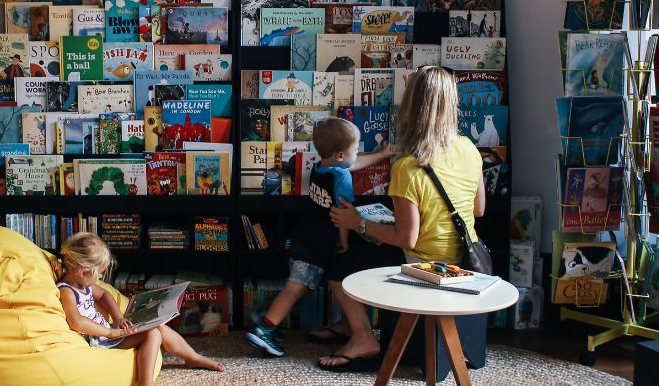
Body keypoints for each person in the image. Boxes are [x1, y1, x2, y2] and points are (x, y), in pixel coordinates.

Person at [320, 65, 487, 372]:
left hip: (425, 264)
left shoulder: (408, 167)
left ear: (411, 108)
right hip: (463, 258)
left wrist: (357, 222)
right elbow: (478, 210)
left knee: (339, 264)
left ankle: (362, 338)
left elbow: (406, 239)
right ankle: (350, 324)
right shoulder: (469, 148)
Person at [244, 118, 395, 357]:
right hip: (318, 245)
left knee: (295, 287)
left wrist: (381, 154)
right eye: (355, 150)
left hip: (304, 236)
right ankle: (265, 328)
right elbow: (343, 214)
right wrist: (344, 240)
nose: (358, 153)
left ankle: (265, 316)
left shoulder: (320, 165)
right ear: (341, 155)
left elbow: (352, 164)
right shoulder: (342, 178)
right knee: (295, 288)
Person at [56, 233, 223, 386]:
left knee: (159, 328)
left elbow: (105, 295)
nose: (100, 278)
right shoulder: (67, 290)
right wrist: (109, 333)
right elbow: (76, 321)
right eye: (99, 273)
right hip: (100, 342)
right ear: (84, 272)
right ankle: (145, 382)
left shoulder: (83, 284)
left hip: (108, 333)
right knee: (152, 333)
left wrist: (118, 318)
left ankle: (192, 357)